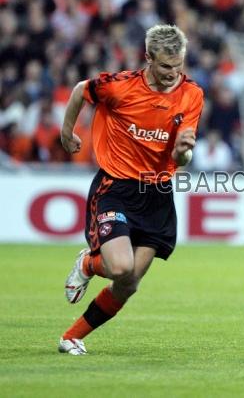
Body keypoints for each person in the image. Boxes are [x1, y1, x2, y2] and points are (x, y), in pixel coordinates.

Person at [58, 24, 203, 355]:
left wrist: (182, 149)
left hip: (157, 194)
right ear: (148, 57)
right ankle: (88, 265)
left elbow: (181, 156)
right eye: (165, 66)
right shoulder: (120, 87)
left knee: (129, 283)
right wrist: (67, 132)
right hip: (116, 187)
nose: (172, 73)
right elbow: (81, 89)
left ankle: (71, 337)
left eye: (178, 65)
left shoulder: (192, 94)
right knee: (119, 266)